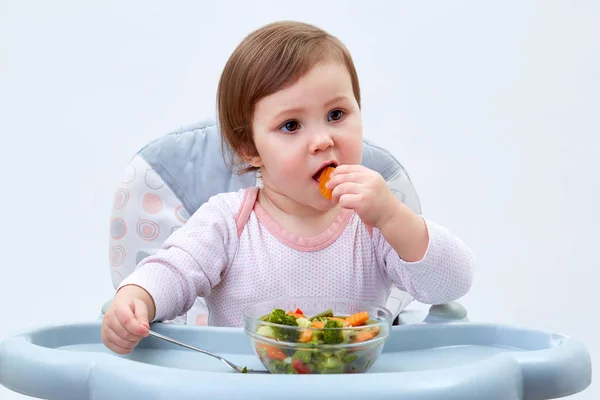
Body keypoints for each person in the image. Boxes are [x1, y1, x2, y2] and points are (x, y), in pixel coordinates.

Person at [101, 20, 475, 355]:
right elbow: (175, 271)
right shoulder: (227, 221)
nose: (323, 140)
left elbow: (451, 283)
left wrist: (394, 216)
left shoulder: (373, 222)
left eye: (336, 115)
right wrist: (138, 298)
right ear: (250, 148)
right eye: (291, 125)